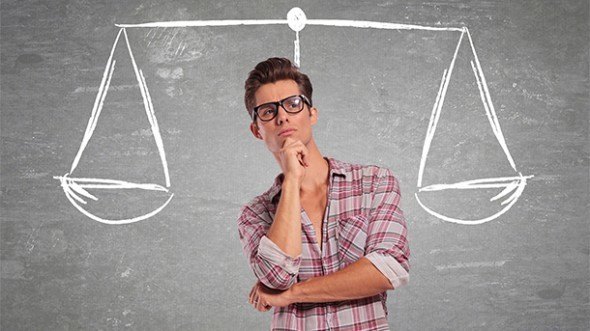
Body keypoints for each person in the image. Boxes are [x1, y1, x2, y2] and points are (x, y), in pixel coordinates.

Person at [237, 57, 410, 330]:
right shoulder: (254, 213)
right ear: (257, 130)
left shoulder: (374, 183)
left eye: (293, 104)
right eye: (268, 112)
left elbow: (389, 268)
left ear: (312, 113)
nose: (282, 116)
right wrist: (292, 180)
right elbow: (276, 276)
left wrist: (293, 294)